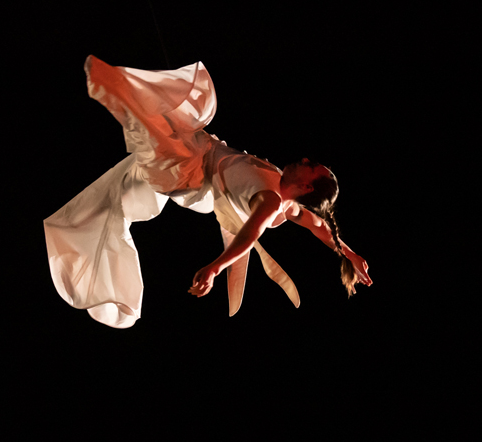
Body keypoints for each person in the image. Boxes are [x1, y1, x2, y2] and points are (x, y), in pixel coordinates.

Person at [44, 56, 371, 328]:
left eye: (310, 164)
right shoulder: (290, 207)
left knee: (156, 125)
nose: (303, 159)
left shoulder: (272, 202)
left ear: (306, 185)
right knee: (188, 108)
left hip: (187, 174)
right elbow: (320, 226)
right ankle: (113, 85)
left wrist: (215, 267)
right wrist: (349, 254)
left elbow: (248, 235)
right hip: (198, 151)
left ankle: (105, 80)